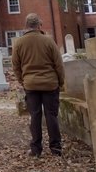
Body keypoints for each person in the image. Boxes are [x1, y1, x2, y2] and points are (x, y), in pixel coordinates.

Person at [11, 13, 65, 157]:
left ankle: (36, 148)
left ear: (26, 26)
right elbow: (58, 64)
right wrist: (61, 82)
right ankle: (56, 148)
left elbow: (16, 66)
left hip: (31, 84)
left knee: (35, 116)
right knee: (51, 116)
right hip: (50, 84)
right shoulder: (48, 41)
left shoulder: (19, 43)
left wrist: (22, 80)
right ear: (39, 25)